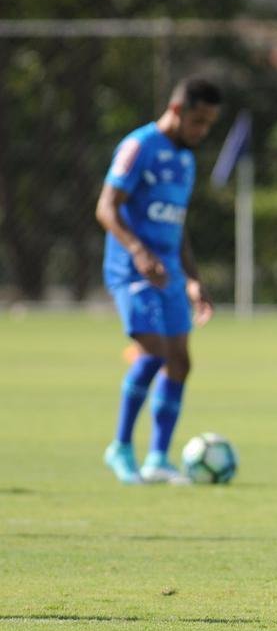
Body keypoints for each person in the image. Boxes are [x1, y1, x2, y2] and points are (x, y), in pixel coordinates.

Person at [95, 77, 219, 484]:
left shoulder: (185, 159)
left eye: (209, 125)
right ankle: (120, 447)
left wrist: (193, 281)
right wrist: (137, 250)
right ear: (178, 110)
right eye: (198, 122)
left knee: (180, 361)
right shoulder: (139, 147)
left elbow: (176, 226)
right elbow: (106, 208)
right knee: (153, 351)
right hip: (132, 270)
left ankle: (158, 460)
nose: (202, 132)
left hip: (167, 273)